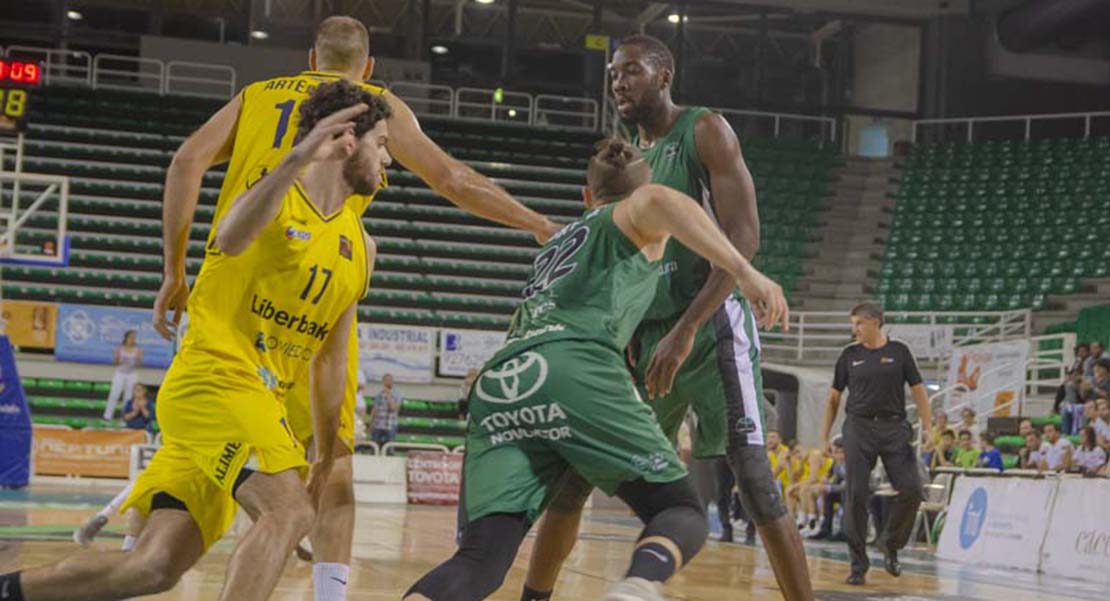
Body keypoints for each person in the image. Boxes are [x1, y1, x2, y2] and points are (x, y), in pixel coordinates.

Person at [149, 17, 559, 601]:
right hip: (313, 286)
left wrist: (173, 269)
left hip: (236, 282)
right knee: (333, 461)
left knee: (237, 499)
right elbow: (451, 177)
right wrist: (539, 224)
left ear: (310, 57)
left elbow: (186, 162)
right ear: (367, 69)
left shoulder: (259, 94)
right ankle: (328, 594)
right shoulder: (376, 104)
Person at [0, 81, 385, 601]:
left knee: (152, 567)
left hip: (248, 408)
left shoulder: (362, 246)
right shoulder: (271, 195)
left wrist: (323, 456)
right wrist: (296, 158)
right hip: (213, 380)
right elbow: (229, 236)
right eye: (381, 143)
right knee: (289, 511)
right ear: (345, 140)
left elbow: (331, 362)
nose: (388, 159)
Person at [403, 140, 788, 601]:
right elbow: (658, 200)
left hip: (505, 378)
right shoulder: (629, 215)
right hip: (574, 360)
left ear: (585, 196)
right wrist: (743, 270)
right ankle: (636, 587)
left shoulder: (558, 243)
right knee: (681, 511)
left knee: (480, 561)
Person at [522, 34, 813, 601]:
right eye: (612, 75)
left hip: (711, 325)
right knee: (575, 475)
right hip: (646, 337)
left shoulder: (705, 129)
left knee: (752, 477)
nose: (618, 83)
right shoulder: (630, 156)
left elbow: (743, 239)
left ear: (664, 75)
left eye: (631, 71)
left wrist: (686, 330)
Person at [819, 302, 932, 586]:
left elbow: (919, 392)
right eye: (852, 323)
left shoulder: (900, 352)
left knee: (913, 489)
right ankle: (858, 565)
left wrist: (928, 427)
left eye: (858, 323)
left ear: (875, 323)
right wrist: (823, 436)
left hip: (894, 427)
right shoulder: (849, 355)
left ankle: (890, 543)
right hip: (859, 426)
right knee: (856, 493)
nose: (853, 329)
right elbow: (833, 399)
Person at [808, 439, 847, 541]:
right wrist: (825, 484)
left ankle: (845, 530)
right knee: (828, 495)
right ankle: (825, 528)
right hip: (843, 490)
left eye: (841, 452)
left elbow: (850, 485)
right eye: (836, 452)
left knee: (844, 494)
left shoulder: (854, 463)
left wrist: (828, 488)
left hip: (857, 491)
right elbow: (836, 480)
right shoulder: (837, 463)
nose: (839, 456)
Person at [104, 330, 143, 420]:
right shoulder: (119, 349)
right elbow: (115, 363)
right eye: (131, 337)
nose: (132, 340)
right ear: (126, 338)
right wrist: (117, 357)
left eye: (134, 338)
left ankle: (124, 417)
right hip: (120, 373)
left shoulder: (138, 350)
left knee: (128, 396)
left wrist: (139, 358)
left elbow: (140, 365)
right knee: (114, 393)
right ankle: (107, 416)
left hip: (131, 374)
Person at [369, 373, 402, 446]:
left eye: (390, 380)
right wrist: (371, 424)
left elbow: (393, 408)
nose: (388, 381)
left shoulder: (397, 394)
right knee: (375, 446)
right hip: (378, 424)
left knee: (389, 447)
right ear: (383, 382)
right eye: (386, 380)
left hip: (390, 425)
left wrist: (388, 394)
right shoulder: (379, 394)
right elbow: (374, 409)